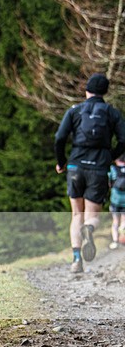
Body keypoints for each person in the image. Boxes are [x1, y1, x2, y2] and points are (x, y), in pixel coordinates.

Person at [55, 73, 125, 273]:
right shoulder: (112, 113)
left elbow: (60, 138)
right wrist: (111, 156)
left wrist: (61, 162)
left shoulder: (75, 111)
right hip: (98, 168)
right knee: (91, 215)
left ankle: (77, 260)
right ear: (105, 92)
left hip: (75, 166)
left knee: (76, 214)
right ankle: (90, 229)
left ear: (86, 90)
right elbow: (124, 139)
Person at [108, 156, 125, 249]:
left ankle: (115, 241)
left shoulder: (113, 169)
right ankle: (122, 234)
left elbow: (109, 183)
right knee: (124, 221)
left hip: (115, 199)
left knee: (115, 220)